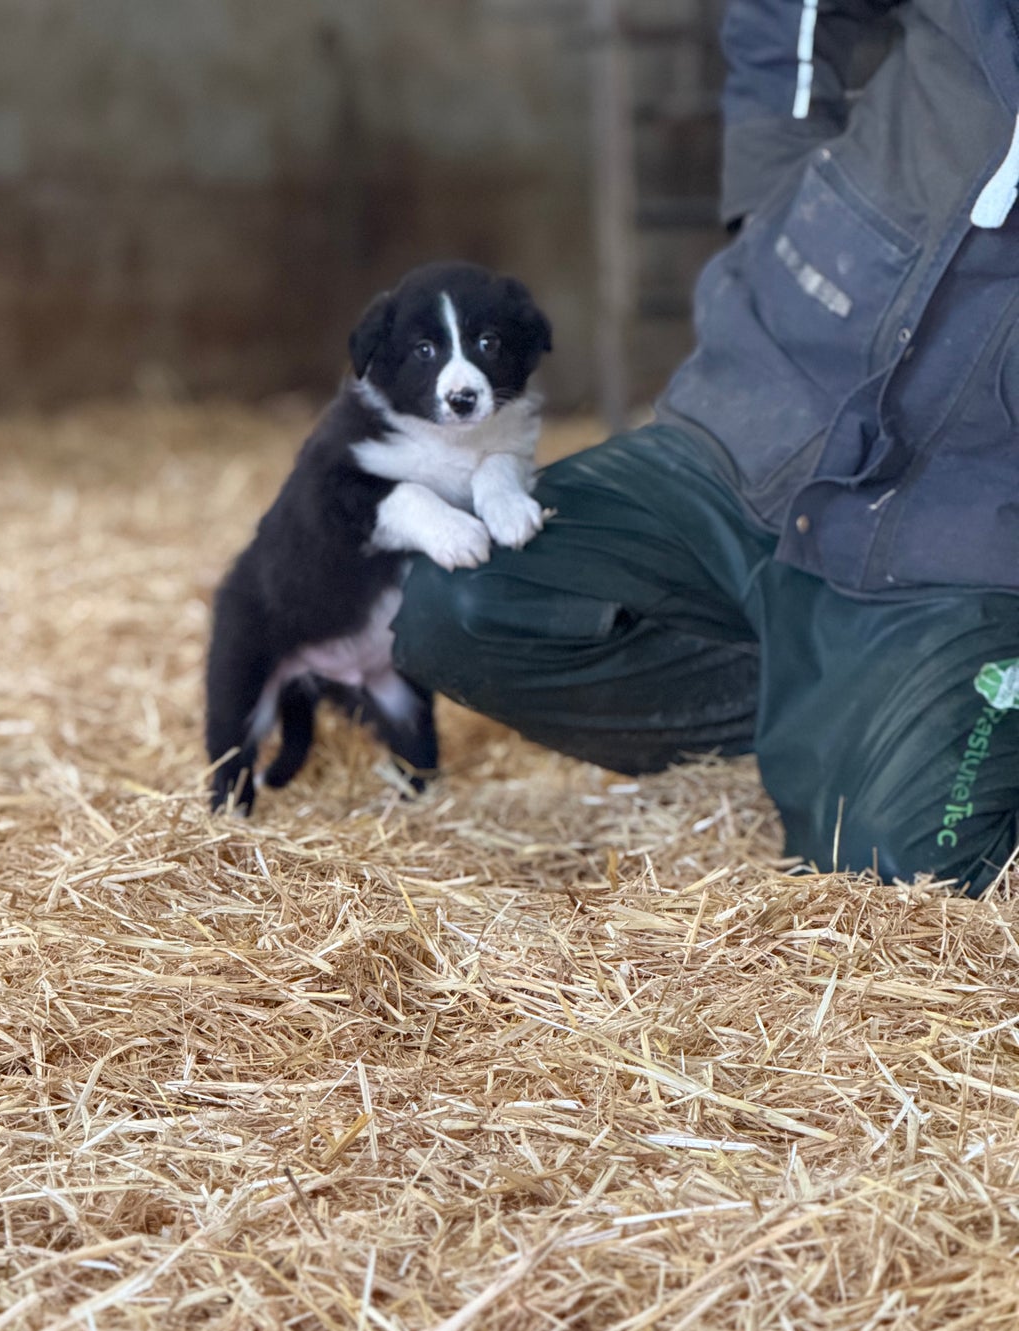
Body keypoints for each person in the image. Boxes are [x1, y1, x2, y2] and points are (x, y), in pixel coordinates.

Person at [391, 0, 1019, 896]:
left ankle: (874, 696)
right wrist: (773, 195)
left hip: (958, 533)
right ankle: (820, 692)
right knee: (459, 601)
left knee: (910, 879)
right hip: (762, 419)